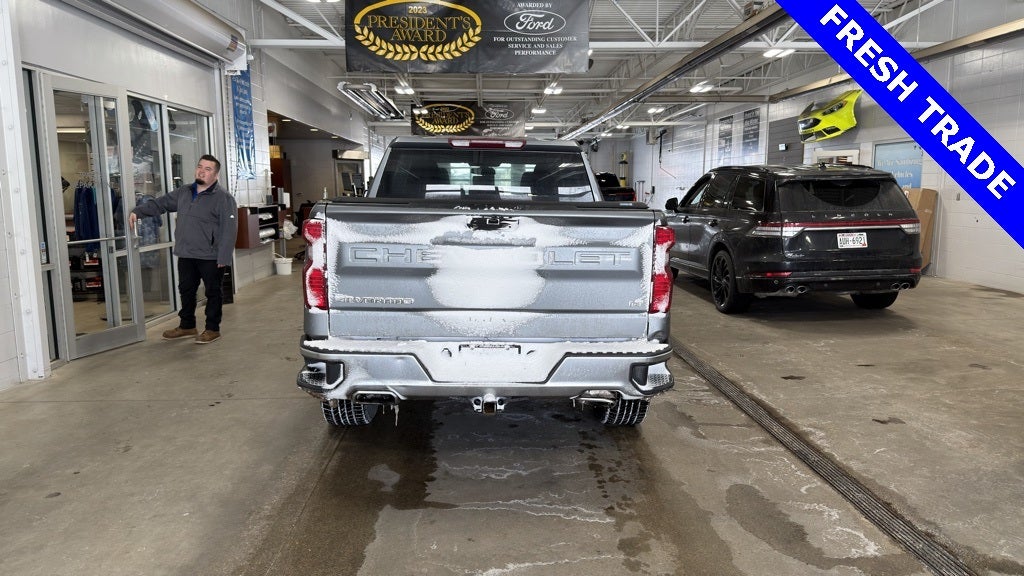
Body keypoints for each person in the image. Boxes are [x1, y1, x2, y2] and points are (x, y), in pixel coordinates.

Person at [129, 154, 237, 344]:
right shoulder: (184, 192)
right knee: (186, 290)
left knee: (213, 292)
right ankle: (187, 325)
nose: (202, 171)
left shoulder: (223, 198)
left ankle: (212, 329)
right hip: (186, 253)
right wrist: (138, 212)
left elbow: (229, 230)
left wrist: (224, 257)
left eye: (208, 169)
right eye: (200, 166)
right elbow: (160, 204)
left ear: (216, 175)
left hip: (211, 256)